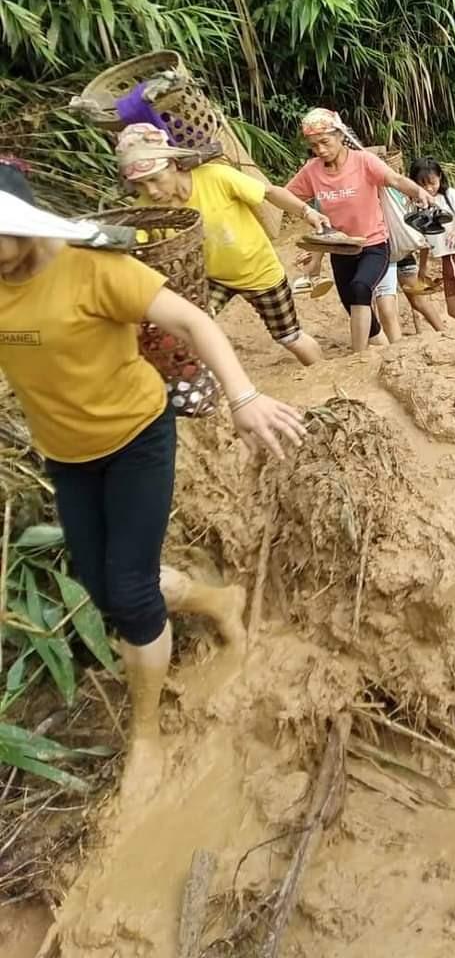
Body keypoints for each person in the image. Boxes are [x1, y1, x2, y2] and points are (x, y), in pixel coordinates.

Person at [0, 163, 305, 802]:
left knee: (131, 594)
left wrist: (243, 396)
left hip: (137, 439)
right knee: (105, 586)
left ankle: (146, 735)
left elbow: (195, 322)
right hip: (67, 454)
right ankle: (219, 600)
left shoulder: (94, 267)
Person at [117, 125, 326, 367]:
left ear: (174, 164)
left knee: (290, 337)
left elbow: (268, 192)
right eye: (140, 184)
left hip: (260, 272)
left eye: (155, 179)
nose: (151, 191)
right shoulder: (149, 210)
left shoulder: (214, 177)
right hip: (210, 279)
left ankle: (323, 373)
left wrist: (306, 211)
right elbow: (135, 252)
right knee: (190, 327)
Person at [286, 109, 432, 358]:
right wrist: (305, 213)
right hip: (341, 250)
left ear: (340, 136)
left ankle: (357, 357)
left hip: (374, 244)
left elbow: (395, 179)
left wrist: (418, 192)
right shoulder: (312, 171)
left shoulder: (363, 161)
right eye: (314, 146)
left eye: (325, 142)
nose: (320, 150)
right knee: (355, 307)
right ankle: (387, 355)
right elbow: (286, 196)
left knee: (360, 287)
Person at [409, 158, 455, 328]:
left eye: (432, 183)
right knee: (453, 309)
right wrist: (422, 267)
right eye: (423, 185)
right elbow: (424, 240)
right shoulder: (417, 206)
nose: (429, 188)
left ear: (440, 178)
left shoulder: (449, 195)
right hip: (447, 258)